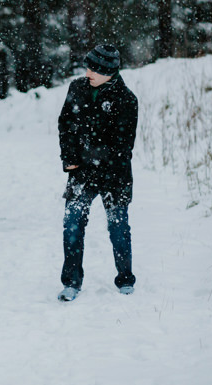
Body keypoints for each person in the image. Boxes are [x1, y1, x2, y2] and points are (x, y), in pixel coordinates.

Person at [57, 44, 138, 302]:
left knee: (118, 228)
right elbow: (65, 123)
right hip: (81, 174)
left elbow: (123, 146)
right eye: (88, 66)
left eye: (94, 69)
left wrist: (94, 156)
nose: (88, 71)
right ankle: (71, 282)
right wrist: (70, 159)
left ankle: (125, 278)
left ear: (109, 72)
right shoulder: (77, 88)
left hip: (115, 177)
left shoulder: (126, 100)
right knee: (72, 225)